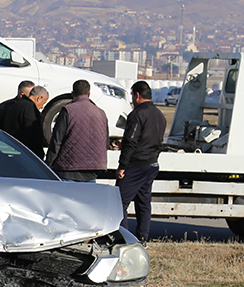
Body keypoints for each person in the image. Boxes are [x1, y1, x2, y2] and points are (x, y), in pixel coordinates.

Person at [117, 80, 167, 242]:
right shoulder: (159, 115)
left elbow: (130, 141)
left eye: (132, 95)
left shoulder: (137, 114)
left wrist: (122, 166)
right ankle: (142, 237)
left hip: (136, 164)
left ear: (137, 95)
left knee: (119, 202)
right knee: (143, 203)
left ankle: (124, 238)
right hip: (151, 163)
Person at [45, 79, 108, 182]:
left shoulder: (67, 110)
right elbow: (106, 142)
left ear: (72, 94)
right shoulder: (101, 113)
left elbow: (57, 140)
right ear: (89, 94)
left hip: (69, 167)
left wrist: (49, 163)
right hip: (93, 168)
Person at [0, 81, 49, 157]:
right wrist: (38, 155)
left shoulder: (13, 105)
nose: (42, 107)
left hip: (7, 149)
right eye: (43, 103)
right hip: (22, 154)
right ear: (39, 98)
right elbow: (32, 135)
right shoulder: (30, 109)